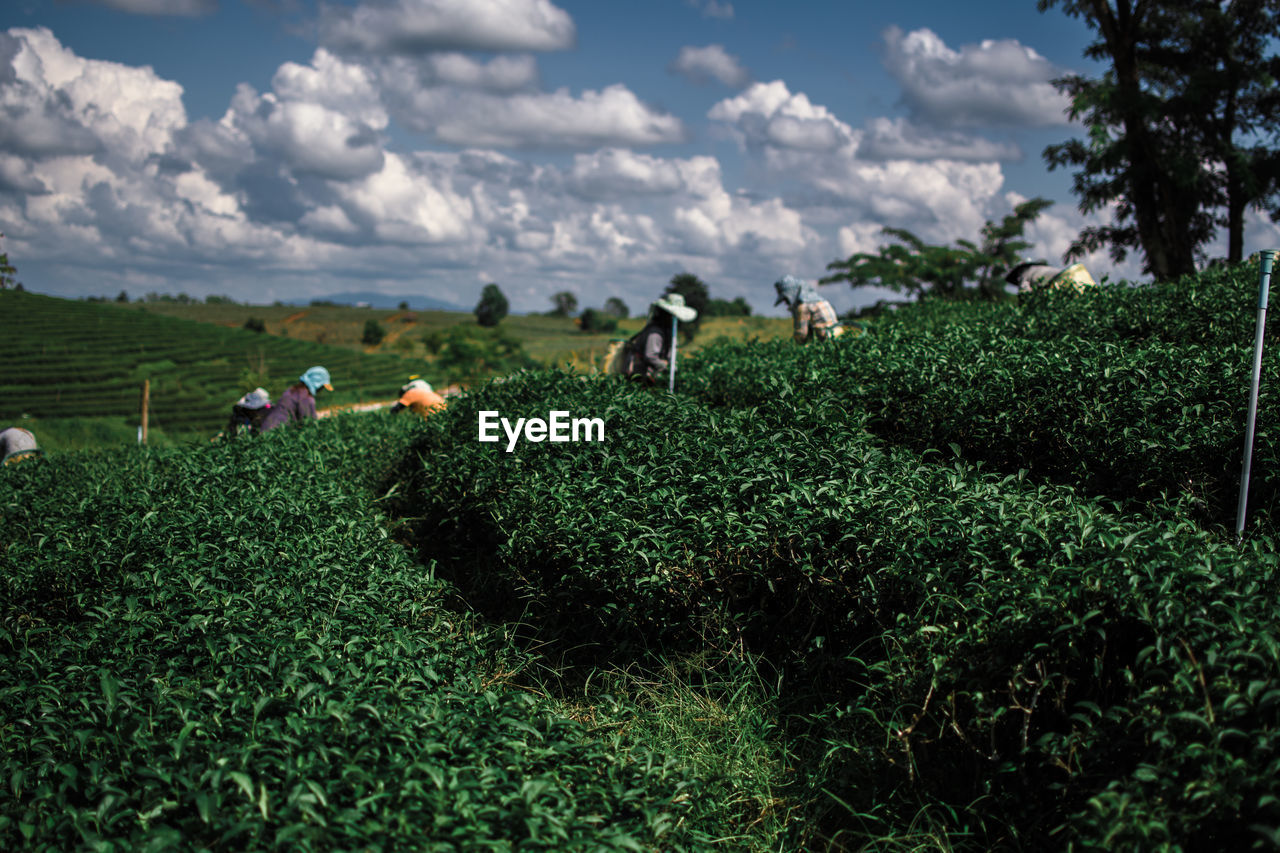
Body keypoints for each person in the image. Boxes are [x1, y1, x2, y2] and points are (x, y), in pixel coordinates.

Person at [619, 293, 698, 384]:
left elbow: (670, 355)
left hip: (651, 374)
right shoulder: (655, 333)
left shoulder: (668, 332)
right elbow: (650, 356)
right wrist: (666, 366)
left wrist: (672, 365)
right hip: (639, 374)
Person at [774, 275, 844, 343]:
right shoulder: (819, 300)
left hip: (828, 339)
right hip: (839, 333)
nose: (786, 303)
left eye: (786, 299)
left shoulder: (803, 306)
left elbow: (801, 334)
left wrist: (793, 345)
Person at [259, 366, 332, 432]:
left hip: (265, 429)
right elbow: (309, 424)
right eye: (322, 387)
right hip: (278, 433)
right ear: (317, 384)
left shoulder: (291, 390)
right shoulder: (307, 398)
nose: (321, 390)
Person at [1006, 261, 1097, 294]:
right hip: (1079, 274)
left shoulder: (1023, 275)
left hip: (1065, 281)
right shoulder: (1038, 268)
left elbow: (1024, 294)